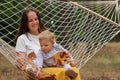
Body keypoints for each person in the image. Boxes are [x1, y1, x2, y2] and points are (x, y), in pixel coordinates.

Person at [15, 7, 46, 80]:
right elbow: (22, 60)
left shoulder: (46, 35)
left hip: (49, 69)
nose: (35, 22)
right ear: (26, 23)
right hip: (35, 73)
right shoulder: (22, 39)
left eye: (36, 19)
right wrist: (19, 62)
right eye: (30, 20)